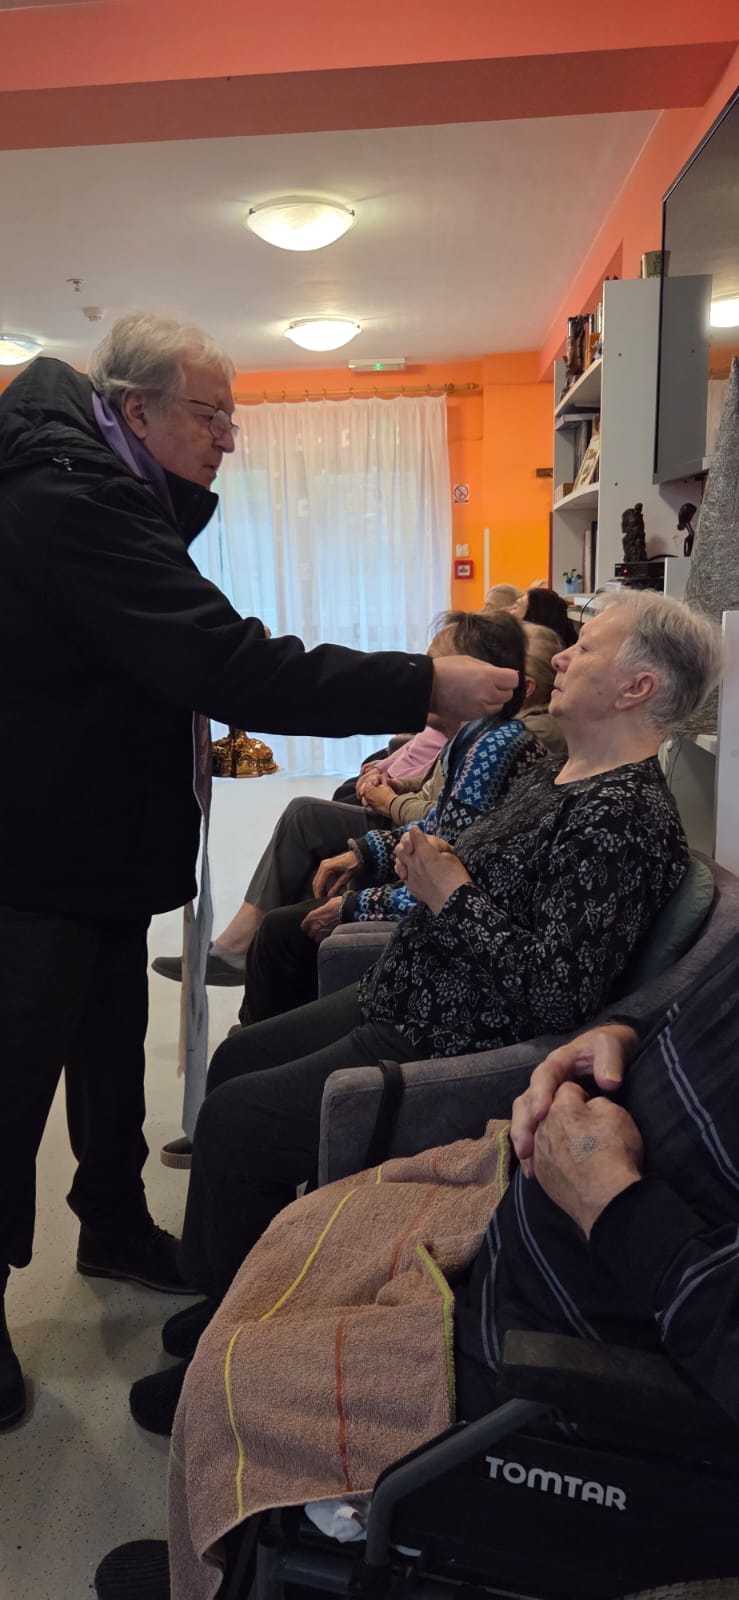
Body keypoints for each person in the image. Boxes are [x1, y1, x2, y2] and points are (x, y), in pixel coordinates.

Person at [0, 312, 519, 1430]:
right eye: (212, 415)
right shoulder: (67, 498)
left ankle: (112, 1219)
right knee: (12, 1075)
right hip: (33, 846)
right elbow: (223, 658)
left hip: (86, 838)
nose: (229, 438)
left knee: (104, 1046)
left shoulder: (103, 485)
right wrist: (420, 684)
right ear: (133, 410)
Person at [128, 590, 721, 1436]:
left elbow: (556, 995)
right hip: (409, 993)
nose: (558, 655)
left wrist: (450, 893)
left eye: (585, 648)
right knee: (237, 1060)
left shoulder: (620, 816)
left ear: (637, 687)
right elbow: (468, 862)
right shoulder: (561, 774)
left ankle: (221, 1370)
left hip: (448, 1035)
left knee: (237, 1120)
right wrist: (407, 862)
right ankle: (235, 1290)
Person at [99, 878, 739, 1600]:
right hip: (525, 1227)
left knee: (236, 1378)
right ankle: (235, 1542)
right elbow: (680, 1015)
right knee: (302, 1231)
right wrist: (623, 1032)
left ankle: (233, 1568)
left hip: (562, 1363)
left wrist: (613, 1204)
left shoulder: (617, 828)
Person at [149, 614, 485, 991]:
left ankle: (243, 945)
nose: (430, 674)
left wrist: (389, 802)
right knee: (317, 826)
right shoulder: (459, 734)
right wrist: (383, 774)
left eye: (437, 669)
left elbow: (442, 814)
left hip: (402, 825)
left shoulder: (485, 743)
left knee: (305, 817)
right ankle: (246, 944)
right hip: (395, 806)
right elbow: (419, 770)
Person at [236, 610, 542, 1023]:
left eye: (437, 666)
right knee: (291, 916)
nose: (427, 676)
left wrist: (354, 906)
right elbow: (437, 825)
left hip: (442, 930)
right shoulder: (474, 739)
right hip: (431, 895)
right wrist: (364, 852)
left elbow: (444, 866)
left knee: (280, 931)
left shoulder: (494, 748)